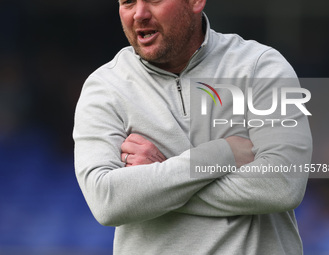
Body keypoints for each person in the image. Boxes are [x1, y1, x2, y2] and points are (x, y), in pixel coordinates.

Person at [73, 0, 313, 254]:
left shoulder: (260, 66)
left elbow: (283, 185)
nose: (139, 14)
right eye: (127, 2)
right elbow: (107, 201)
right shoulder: (104, 87)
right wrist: (221, 153)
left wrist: (157, 178)